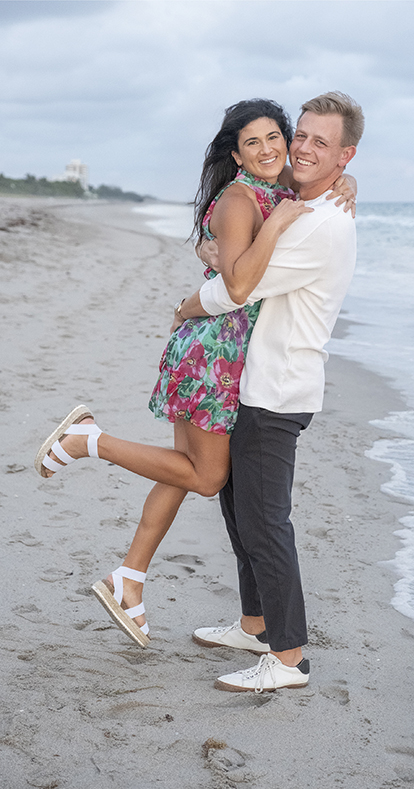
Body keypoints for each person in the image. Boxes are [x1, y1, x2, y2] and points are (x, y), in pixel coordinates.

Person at [34, 98, 354, 649]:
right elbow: (238, 285)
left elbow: (314, 186)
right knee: (205, 477)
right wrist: (270, 230)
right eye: (253, 142)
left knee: (184, 471)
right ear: (236, 155)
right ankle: (89, 440)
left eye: (277, 137)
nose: (272, 149)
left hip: (228, 352)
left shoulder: (280, 189)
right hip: (213, 352)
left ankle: (129, 579)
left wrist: (346, 183)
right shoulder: (242, 199)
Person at [177, 91, 363, 693]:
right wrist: (215, 249)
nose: (302, 148)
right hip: (254, 382)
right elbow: (242, 251)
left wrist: (186, 305)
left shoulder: (319, 224)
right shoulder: (304, 203)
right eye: (300, 135)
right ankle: (255, 626)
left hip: (277, 392)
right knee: (240, 513)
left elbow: (237, 287)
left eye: (320, 143)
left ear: (344, 155)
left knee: (265, 524)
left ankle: (288, 658)